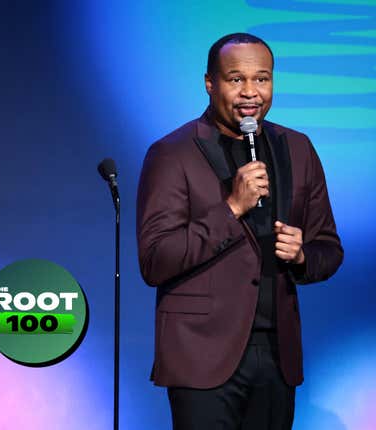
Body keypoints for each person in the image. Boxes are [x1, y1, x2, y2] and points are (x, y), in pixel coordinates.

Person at [136, 33, 343, 429]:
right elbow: (154, 260)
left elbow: (329, 249)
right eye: (236, 80)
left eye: (262, 79)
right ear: (210, 83)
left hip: (276, 355)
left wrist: (301, 256)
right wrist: (231, 209)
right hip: (201, 356)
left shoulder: (297, 148)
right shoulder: (172, 153)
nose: (251, 92)